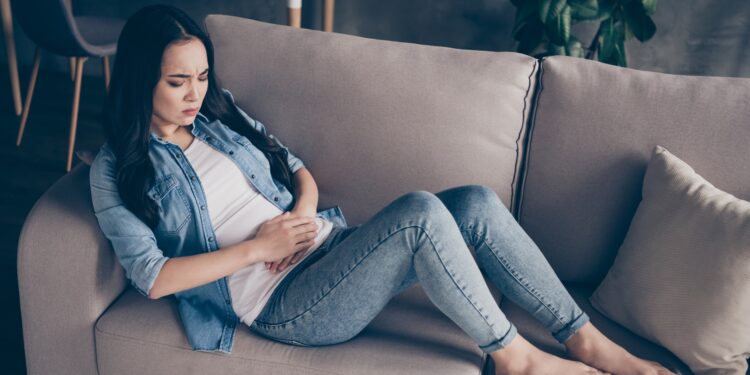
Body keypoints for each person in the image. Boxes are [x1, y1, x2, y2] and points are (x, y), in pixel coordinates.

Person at [89, 5, 675, 375]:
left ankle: (588, 342)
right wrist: (260, 250)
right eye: (177, 82)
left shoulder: (218, 117)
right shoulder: (118, 169)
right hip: (281, 304)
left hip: (324, 249)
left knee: (473, 201)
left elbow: (296, 168)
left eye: (202, 76)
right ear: (142, 79)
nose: (195, 93)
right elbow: (152, 276)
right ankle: (516, 358)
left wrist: (303, 215)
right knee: (420, 213)